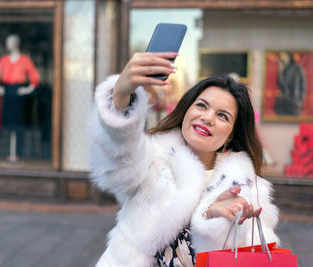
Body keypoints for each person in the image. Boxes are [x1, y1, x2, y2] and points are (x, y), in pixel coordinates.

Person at [89, 52, 279, 267]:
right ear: (186, 110)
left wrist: (212, 217)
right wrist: (121, 96)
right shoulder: (151, 160)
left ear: (231, 135)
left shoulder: (246, 188)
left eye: (222, 116)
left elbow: (251, 258)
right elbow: (119, 150)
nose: (207, 118)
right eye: (201, 106)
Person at [0, 34, 40, 162]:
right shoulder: (4, 60)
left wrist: (29, 88)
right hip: (7, 91)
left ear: (16, 43)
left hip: (18, 91)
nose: (8, 44)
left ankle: (17, 153)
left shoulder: (24, 59)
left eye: (10, 42)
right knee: (7, 123)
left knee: (18, 124)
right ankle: (9, 152)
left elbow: (34, 76)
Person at [274, 52, 306, 116]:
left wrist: (301, 101)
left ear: (289, 57)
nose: (283, 59)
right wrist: (280, 70)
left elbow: (303, 87)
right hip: (282, 103)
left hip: (294, 102)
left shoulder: (297, 68)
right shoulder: (282, 69)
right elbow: (280, 84)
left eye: (284, 57)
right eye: (281, 58)